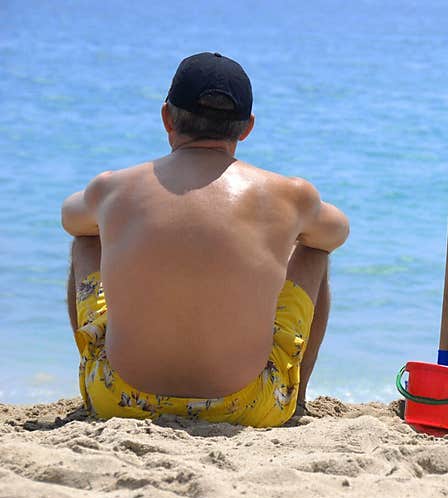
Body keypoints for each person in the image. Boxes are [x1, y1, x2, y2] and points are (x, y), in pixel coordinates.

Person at [62, 52, 349, 427]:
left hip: (119, 399)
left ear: (167, 117)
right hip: (248, 404)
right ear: (246, 127)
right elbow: (337, 232)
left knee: (86, 238)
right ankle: (296, 399)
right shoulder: (289, 194)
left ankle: (91, 372)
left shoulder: (112, 187)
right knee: (315, 249)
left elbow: (70, 218)